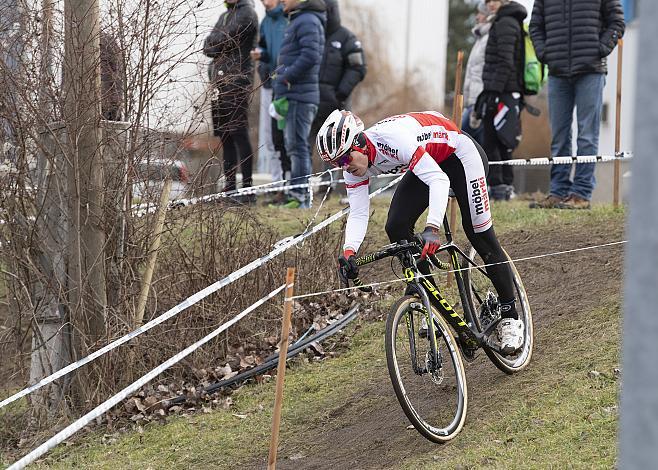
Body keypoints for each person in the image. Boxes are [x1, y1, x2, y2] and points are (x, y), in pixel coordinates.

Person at [317, 109, 525, 355]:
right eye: (336, 164)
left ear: (359, 144)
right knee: (396, 226)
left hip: (460, 157)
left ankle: (510, 316)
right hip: (430, 161)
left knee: (480, 235)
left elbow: (439, 181)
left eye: (344, 160)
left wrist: (432, 227)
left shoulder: (393, 141)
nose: (345, 168)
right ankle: (432, 302)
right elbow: (359, 212)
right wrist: (349, 251)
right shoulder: (353, 166)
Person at [529, 0, 625, 209]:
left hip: (591, 70)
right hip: (557, 72)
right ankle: (558, 191)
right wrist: (544, 53)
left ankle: (581, 194)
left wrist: (599, 48)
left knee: (587, 135)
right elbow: (535, 26)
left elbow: (617, 22)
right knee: (559, 135)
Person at [272, 0, 326, 208]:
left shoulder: (308, 20)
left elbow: (311, 55)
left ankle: (300, 197)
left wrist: (287, 76)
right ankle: (297, 195)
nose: (281, 1)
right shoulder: (298, 19)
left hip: (300, 95)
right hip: (294, 94)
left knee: (298, 147)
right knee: (295, 146)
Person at [474, 0, 527, 202]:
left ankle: (499, 187)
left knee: (497, 140)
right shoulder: (506, 20)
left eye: (495, 0)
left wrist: (494, 92)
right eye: (488, 1)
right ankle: (501, 186)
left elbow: (506, 61)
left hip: (503, 91)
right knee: (499, 140)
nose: (490, 4)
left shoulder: (505, 22)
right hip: (502, 89)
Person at [204, 0, 258, 193]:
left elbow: (225, 39)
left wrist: (217, 41)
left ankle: (247, 189)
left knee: (238, 133)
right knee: (225, 136)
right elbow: (207, 47)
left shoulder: (247, 13)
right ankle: (230, 188)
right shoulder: (223, 16)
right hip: (218, 83)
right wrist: (217, 41)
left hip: (237, 81)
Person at [251, 0, 288, 193]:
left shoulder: (288, 17)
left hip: (287, 85)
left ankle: (292, 184)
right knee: (271, 137)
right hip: (269, 84)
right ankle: (277, 185)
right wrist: (261, 55)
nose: (265, 2)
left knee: (286, 137)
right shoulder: (265, 22)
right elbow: (264, 48)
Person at [461, 1, 491, 146]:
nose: (477, 17)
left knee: (461, 139)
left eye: (481, 13)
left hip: (479, 103)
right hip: (472, 102)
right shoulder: (480, 39)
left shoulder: (489, 38)